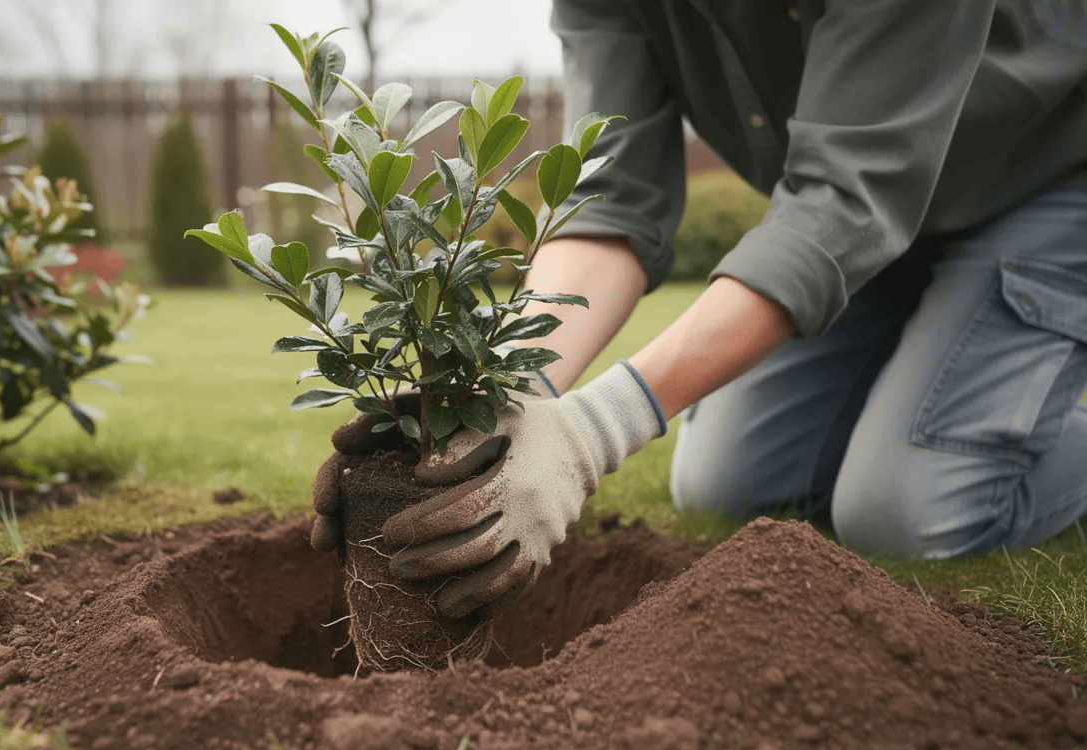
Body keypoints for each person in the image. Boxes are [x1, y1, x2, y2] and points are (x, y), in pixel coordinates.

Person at [311, 0, 1087, 621]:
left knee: (902, 512)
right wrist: (506, 392)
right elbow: (613, 199)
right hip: (872, 236)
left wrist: (591, 433)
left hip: (1042, 184)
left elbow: (846, 197)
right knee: (725, 482)